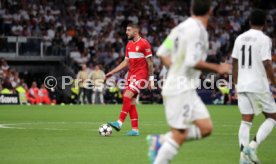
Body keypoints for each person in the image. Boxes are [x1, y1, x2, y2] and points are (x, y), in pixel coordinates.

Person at [146, 0, 230, 163]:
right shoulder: (198, 30)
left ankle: (161, 140)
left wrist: (175, 66)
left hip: (186, 87)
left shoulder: (180, 28)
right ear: (210, 12)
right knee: (180, 134)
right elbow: (193, 61)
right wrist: (219, 69)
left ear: (192, 9)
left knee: (206, 128)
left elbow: (162, 52)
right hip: (180, 88)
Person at [232, 9, 276, 164]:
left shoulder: (239, 38)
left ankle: (243, 157)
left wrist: (235, 84)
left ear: (249, 22)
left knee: (246, 120)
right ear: (264, 23)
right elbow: (267, 63)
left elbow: (235, 62)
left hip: (242, 84)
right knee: (272, 117)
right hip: (258, 84)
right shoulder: (264, 39)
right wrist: (274, 82)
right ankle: (252, 146)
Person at [106, 23, 154, 136]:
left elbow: (150, 63)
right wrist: (112, 72)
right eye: (126, 30)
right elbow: (125, 62)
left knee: (126, 96)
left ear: (136, 31)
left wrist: (151, 79)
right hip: (131, 76)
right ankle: (135, 130)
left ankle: (119, 122)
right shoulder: (128, 45)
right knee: (131, 102)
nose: (126, 32)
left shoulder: (144, 43)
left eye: (128, 30)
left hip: (141, 76)